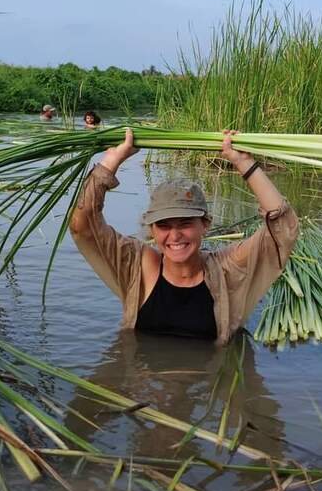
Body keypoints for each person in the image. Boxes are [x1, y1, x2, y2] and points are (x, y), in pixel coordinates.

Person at [69, 128, 298, 344]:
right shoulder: (139, 267)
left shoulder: (228, 270)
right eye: (164, 225)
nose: (175, 235)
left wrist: (244, 163)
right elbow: (82, 226)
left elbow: (283, 229)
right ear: (152, 229)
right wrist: (112, 160)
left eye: (186, 223)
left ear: (205, 225)